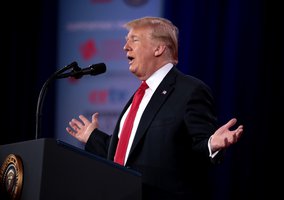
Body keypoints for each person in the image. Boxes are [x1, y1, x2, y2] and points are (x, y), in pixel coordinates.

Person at [65, 16, 243, 200]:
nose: (125, 47)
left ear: (158, 48)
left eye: (134, 40)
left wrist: (211, 144)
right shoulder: (139, 96)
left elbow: (198, 145)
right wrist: (93, 137)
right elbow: (128, 155)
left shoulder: (190, 91)